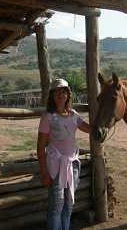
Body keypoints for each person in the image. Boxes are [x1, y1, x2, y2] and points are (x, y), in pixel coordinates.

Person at [37, 78, 90, 230]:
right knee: (56, 206)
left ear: (68, 94)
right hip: (55, 166)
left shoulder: (73, 114)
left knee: (68, 204)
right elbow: (40, 146)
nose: (61, 94)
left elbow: (89, 128)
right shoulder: (48, 117)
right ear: (52, 96)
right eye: (57, 91)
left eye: (64, 91)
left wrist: (104, 120)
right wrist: (44, 171)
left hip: (72, 164)